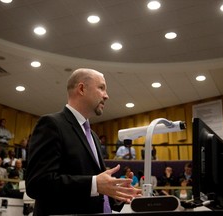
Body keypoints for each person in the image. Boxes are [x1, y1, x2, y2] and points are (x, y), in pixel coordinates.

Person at [25, 68, 141, 215]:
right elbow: (38, 184)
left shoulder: (93, 136)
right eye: (101, 88)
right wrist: (94, 184)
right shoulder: (51, 124)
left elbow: (95, 190)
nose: (107, 96)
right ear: (81, 89)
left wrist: (117, 193)